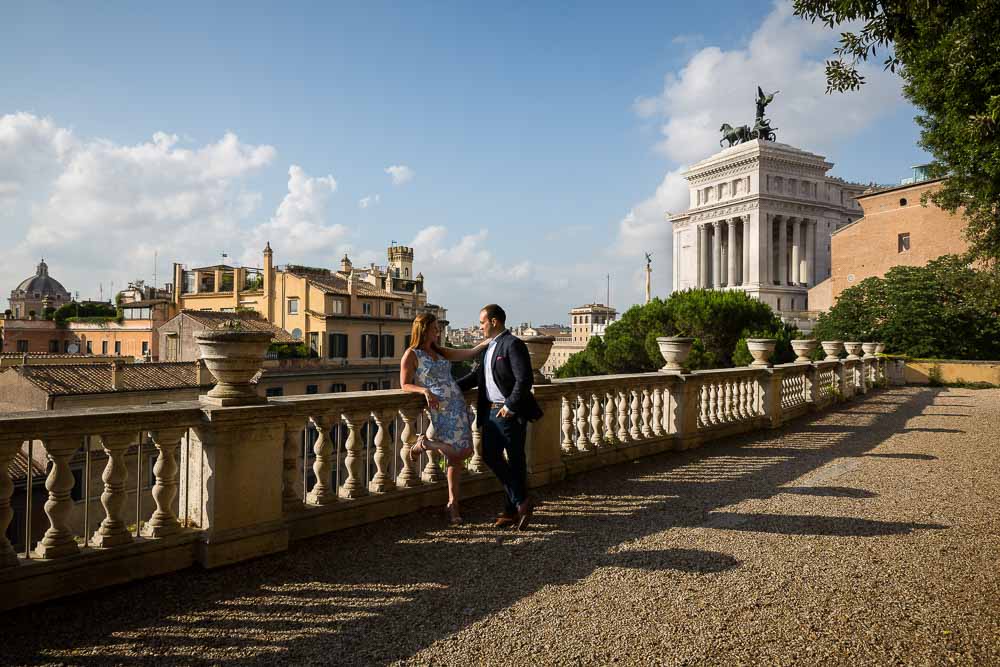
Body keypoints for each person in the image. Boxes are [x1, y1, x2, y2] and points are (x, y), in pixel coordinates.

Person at [400, 312, 491, 525]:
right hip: (439, 408)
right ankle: (427, 444)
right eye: (434, 328)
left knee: (463, 453)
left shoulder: (440, 351)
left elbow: (468, 353)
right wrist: (423, 391)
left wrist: (487, 342)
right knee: (457, 452)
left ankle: (452, 502)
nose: (438, 332)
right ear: (423, 330)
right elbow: (404, 384)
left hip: (457, 404)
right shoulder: (411, 354)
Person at [458, 304, 543, 530]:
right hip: (490, 414)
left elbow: (524, 380)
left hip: (508, 413)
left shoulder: (513, 344)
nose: (480, 327)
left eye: (482, 322)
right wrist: (448, 389)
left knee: (515, 462)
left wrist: (510, 406)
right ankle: (521, 501)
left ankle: (512, 510)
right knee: (488, 456)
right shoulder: (489, 347)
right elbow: (477, 377)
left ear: (494, 321)